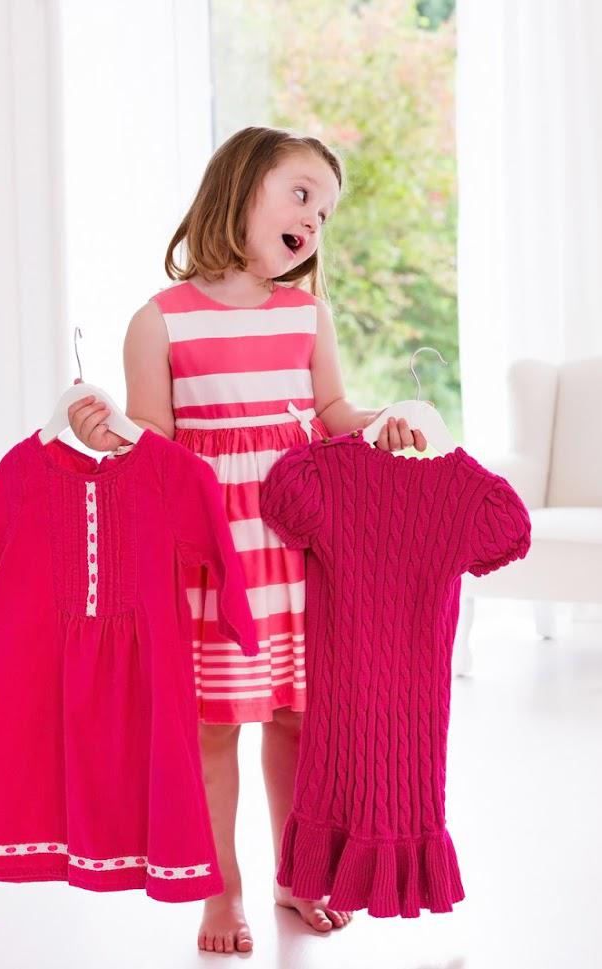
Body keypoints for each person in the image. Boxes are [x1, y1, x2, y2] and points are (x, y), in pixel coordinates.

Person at [67, 125, 427, 954]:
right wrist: (103, 429)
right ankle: (219, 891)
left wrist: (387, 422)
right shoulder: (159, 322)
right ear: (239, 188)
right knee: (213, 730)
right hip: (214, 564)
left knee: (300, 722)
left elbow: (332, 418)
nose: (315, 220)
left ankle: (296, 875)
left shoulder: (306, 314)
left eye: (327, 212)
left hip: (299, 557)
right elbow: (152, 440)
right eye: (302, 194)